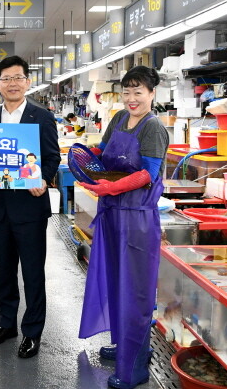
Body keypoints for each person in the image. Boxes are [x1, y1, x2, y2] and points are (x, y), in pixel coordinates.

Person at [77, 66, 169, 389]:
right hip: (112, 214)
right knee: (116, 282)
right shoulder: (117, 119)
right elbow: (103, 153)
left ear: (151, 93)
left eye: (138, 92)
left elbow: (147, 174)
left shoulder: (153, 127)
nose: (131, 99)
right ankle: (123, 347)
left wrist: (110, 188)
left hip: (137, 219)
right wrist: (84, 156)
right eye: (127, 92)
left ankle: (137, 366)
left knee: (137, 292)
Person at [0, 55, 60, 359]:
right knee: (4, 270)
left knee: (33, 273)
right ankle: (7, 323)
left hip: (30, 207)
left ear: (27, 82)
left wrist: (44, 178)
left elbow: (52, 158)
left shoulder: (42, 117)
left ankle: (33, 331)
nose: (13, 84)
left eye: (18, 78)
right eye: (6, 79)